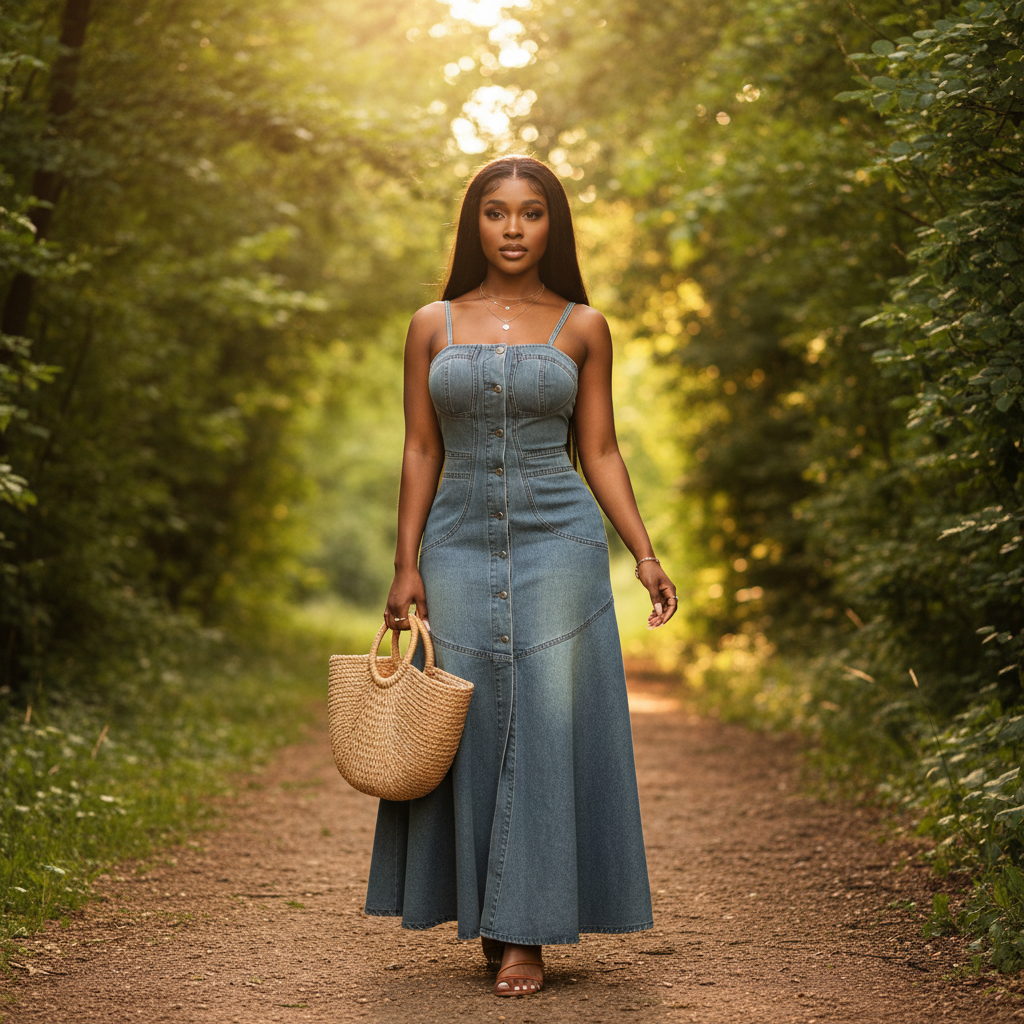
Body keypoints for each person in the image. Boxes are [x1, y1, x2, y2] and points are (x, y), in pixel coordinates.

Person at [368, 155, 677, 998]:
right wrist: (405, 563)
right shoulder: (432, 322)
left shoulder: (583, 325)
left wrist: (643, 552)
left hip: (561, 539)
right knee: (467, 721)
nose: (513, 229)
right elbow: (421, 446)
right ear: (475, 223)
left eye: (531, 213)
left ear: (553, 226)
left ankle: (523, 937)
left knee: (542, 723)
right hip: (457, 538)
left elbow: (601, 450)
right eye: (497, 213)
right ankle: (490, 908)